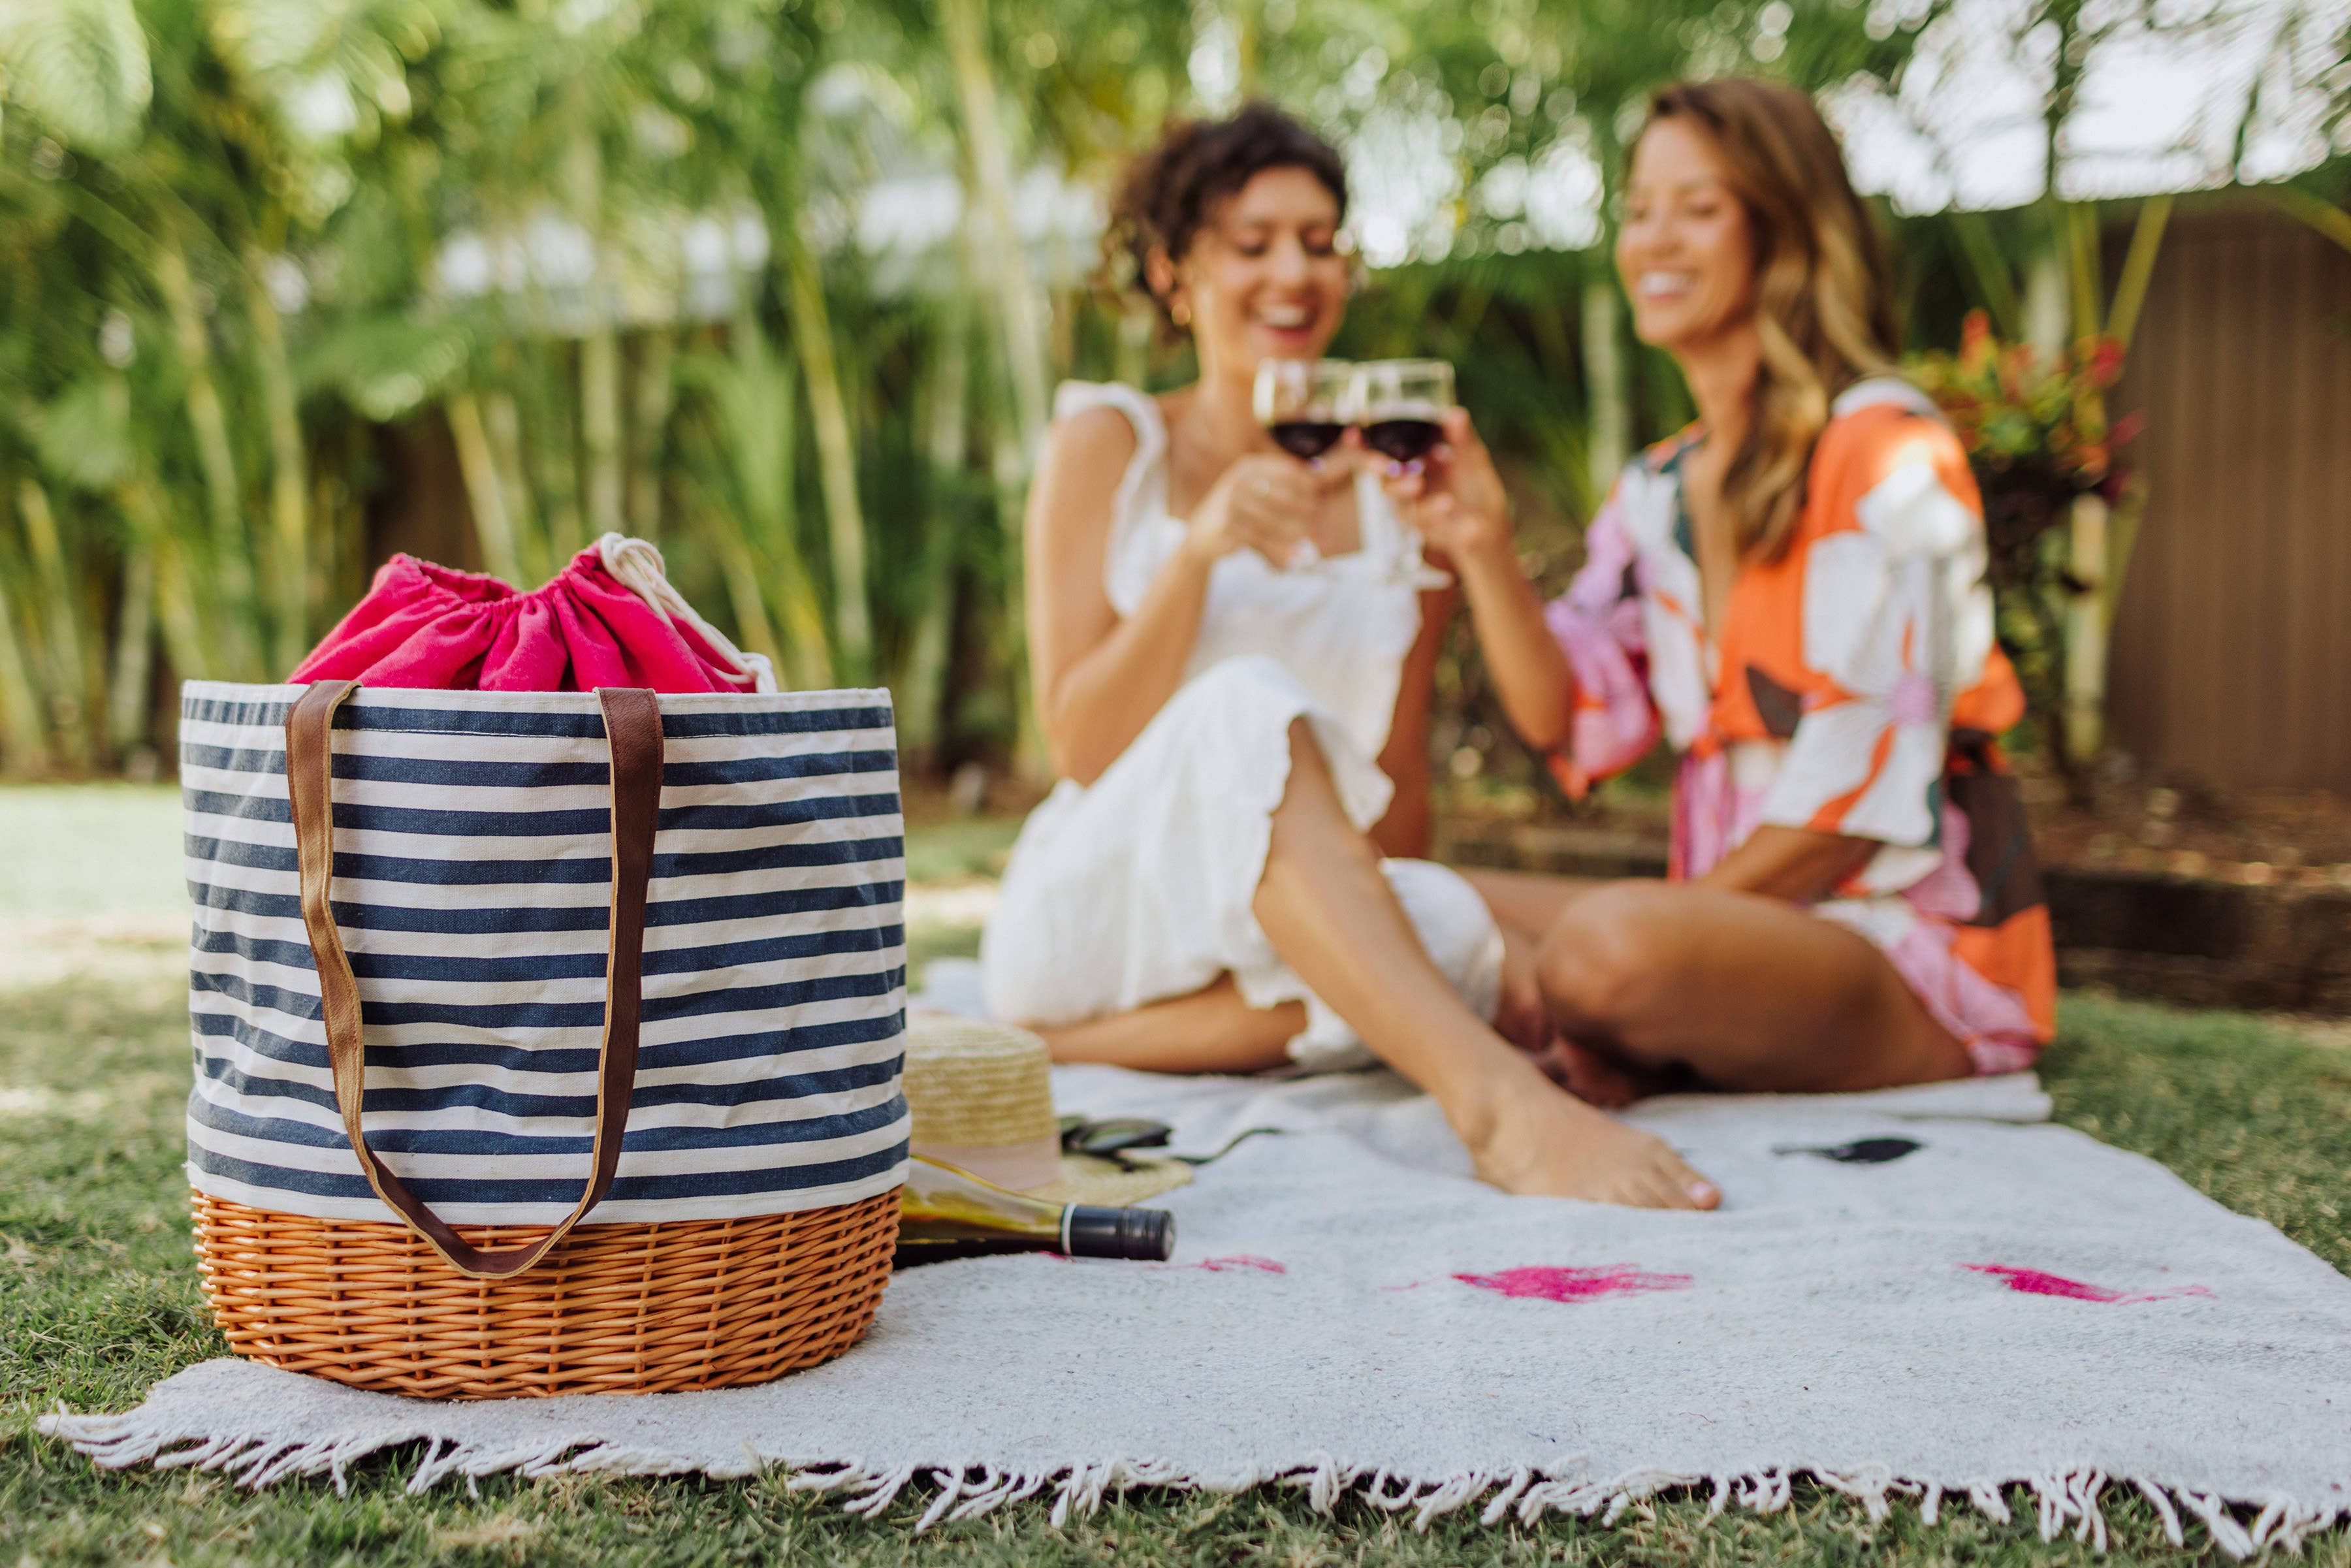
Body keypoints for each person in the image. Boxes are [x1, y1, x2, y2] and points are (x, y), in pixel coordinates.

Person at [977, 104, 1719, 1210]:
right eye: (1255, 241)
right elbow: (1079, 745)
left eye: (1321, 241)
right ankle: (1496, 1106)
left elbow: (1400, 812)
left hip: (1282, 919)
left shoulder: (1389, 492)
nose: (1295, 271)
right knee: (1244, 703)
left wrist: (1478, 545)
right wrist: (1201, 555)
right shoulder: (1110, 440)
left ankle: (1057, 1041)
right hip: (1114, 895)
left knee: (1457, 925)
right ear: (1177, 272)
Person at [1380, 78, 2057, 1106]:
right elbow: (1566, 712)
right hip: (1719, 925)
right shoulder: (1659, 488)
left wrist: (1670, 935)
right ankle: (1609, 1018)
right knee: (1398, 896)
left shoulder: (1886, 450)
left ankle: (1591, 1016)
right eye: (1640, 209)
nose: (1654, 240)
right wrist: (1481, 542)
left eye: (1698, 208)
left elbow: (1848, 813)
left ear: (1783, 232)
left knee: (1608, 948)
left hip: (1898, 943)